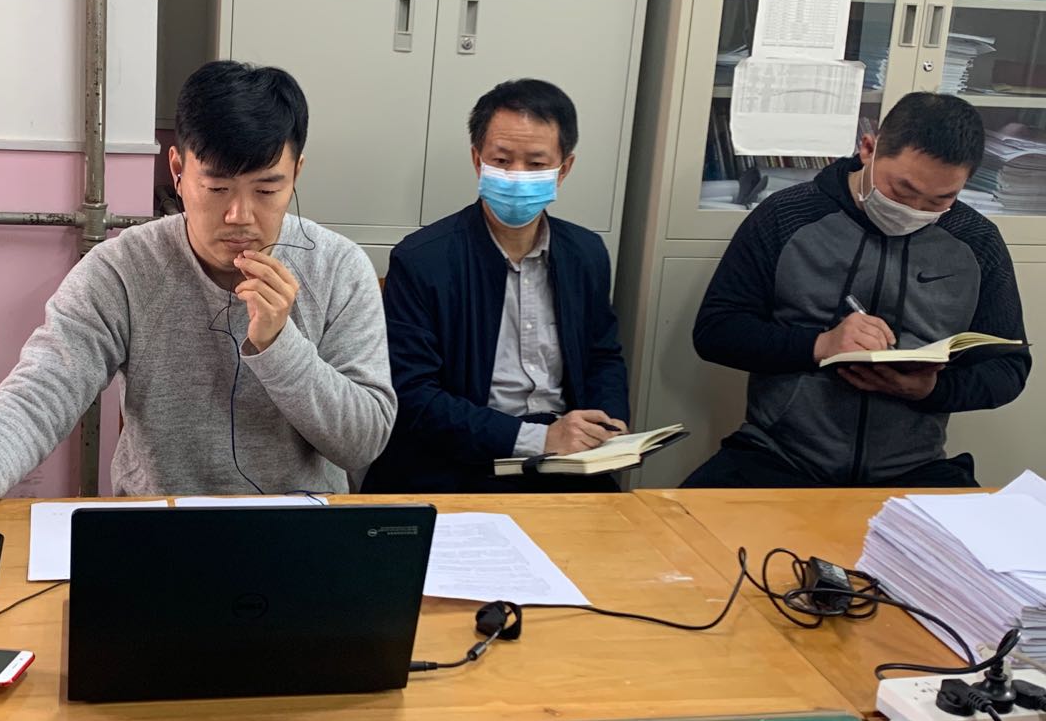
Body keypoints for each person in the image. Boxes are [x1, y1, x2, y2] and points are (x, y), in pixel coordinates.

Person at [0, 60, 395, 566]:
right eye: (217, 187)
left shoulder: (338, 268)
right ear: (178, 170)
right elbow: (41, 391)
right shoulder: (124, 268)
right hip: (157, 533)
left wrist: (281, 347)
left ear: (297, 173)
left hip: (302, 537)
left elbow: (364, 442)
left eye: (268, 189)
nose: (240, 215)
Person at [685, 92, 1030, 488]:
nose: (916, 209)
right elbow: (716, 331)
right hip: (778, 457)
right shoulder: (786, 216)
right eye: (901, 190)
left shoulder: (977, 242)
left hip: (912, 469)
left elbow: (1009, 368)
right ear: (868, 149)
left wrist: (931, 389)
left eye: (941, 199)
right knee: (675, 522)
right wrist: (820, 345)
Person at [362, 78, 629, 494]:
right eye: (502, 160)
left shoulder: (586, 253)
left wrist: (607, 425)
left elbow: (602, 356)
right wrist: (540, 439)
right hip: (460, 464)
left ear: (564, 169)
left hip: (566, 463)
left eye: (536, 164)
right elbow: (413, 395)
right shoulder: (422, 260)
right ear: (477, 160)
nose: (516, 176)